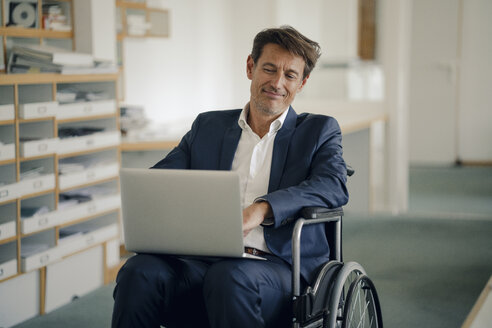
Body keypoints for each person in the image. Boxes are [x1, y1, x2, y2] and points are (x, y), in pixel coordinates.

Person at [112, 25, 348, 328]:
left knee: (230, 277)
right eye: (269, 69)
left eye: (290, 75)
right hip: (202, 259)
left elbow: (333, 184)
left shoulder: (319, 131)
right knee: (138, 271)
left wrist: (261, 210)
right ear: (250, 67)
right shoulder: (208, 126)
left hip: (278, 266)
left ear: (302, 83)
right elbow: (163, 178)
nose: (277, 83)